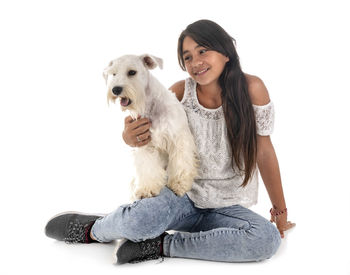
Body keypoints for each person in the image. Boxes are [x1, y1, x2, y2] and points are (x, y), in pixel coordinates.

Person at [45, 19, 295, 264]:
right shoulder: (179, 92)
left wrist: (280, 211)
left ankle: (161, 245)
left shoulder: (253, 88)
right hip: (179, 197)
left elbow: (264, 152)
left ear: (226, 53)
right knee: (139, 220)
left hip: (225, 207)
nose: (196, 62)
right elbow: (139, 121)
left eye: (203, 51)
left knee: (266, 239)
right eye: (187, 57)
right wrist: (128, 136)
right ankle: (95, 229)